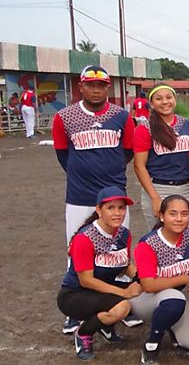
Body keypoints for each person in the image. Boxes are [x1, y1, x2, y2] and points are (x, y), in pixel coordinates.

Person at [53, 65, 137, 334]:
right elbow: (63, 155)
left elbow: (127, 151)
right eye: (91, 85)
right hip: (80, 196)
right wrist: (85, 174)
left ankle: (118, 302)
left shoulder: (121, 116)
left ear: (108, 87)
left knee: (118, 250)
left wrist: (107, 175)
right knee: (76, 250)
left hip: (114, 194)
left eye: (102, 85)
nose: (97, 89)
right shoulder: (64, 116)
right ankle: (77, 311)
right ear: (81, 87)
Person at [57, 186, 142, 361]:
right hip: (76, 294)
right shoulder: (85, 238)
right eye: (111, 208)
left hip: (102, 290)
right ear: (98, 210)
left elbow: (123, 264)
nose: (117, 213)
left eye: (121, 208)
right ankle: (84, 333)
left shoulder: (123, 234)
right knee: (122, 307)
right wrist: (124, 293)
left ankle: (104, 324)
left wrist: (141, 277)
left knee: (145, 290)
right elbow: (86, 280)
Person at [131, 195, 189, 364]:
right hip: (145, 299)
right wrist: (184, 278)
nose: (179, 219)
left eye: (184, 214)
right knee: (174, 300)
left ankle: (169, 323)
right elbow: (148, 285)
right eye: (173, 213)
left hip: (174, 298)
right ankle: (152, 343)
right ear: (162, 216)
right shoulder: (148, 243)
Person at [133, 84, 189, 232]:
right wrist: (155, 198)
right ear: (152, 103)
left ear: (175, 99)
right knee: (160, 239)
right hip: (158, 188)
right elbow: (139, 166)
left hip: (184, 187)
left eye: (169, 97)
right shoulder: (145, 128)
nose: (165, 102)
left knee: (188, 236)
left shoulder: (185, 124)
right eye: (158, 99)